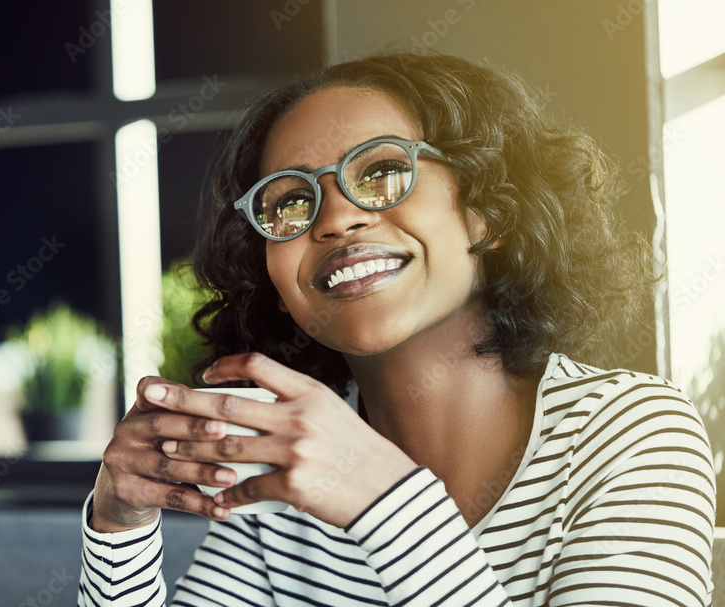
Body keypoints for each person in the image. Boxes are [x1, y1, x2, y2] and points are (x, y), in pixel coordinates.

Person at [77, 52, 717, 606]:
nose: (335, 220)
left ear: (487, 210)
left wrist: (378, 493)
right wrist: (118, 526)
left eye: (382, 171)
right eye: (291, 202)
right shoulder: (279, 483)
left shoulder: (631, 431)